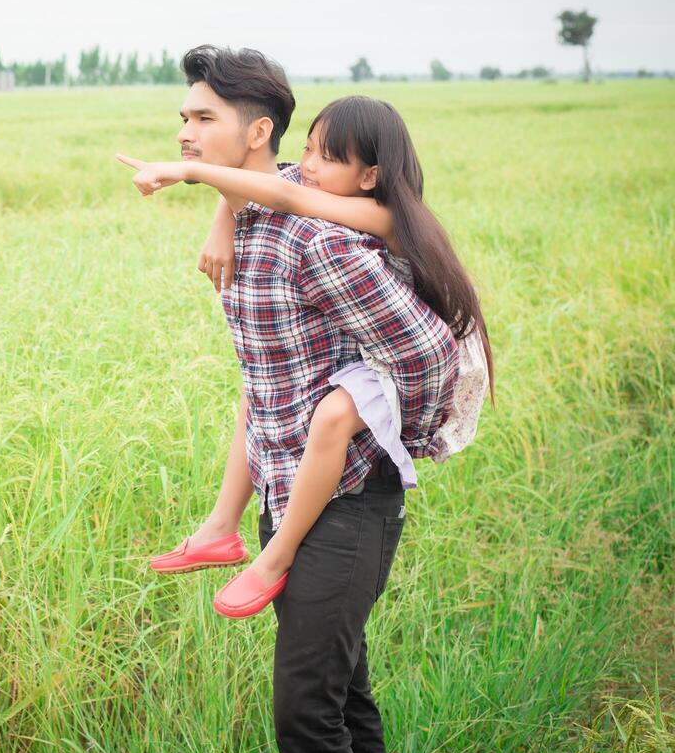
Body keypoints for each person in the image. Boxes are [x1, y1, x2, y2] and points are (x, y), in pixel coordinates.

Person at [122, 45, 461, 753]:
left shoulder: (319, 240)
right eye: (181, 115)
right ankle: (221, 531)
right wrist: (221, 210)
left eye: (202, 117)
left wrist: (368, 415)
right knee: (343, 697)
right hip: (284, 489)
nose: (183, 130)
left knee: (305, 714)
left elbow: (430, 350)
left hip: (347, 502)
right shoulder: (260, 207)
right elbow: (268, 189)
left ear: (255, 129)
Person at [120, 94, 492, 618]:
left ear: (370, 175)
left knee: (333, 416)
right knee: (265, 381)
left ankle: (277, 556)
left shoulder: (373, 211)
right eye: (308, 149)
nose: (309, 167)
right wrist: (222, 221)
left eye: (328, 157)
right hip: (372, 341)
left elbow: (284, 195)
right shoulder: (320, 184)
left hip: (407, 353)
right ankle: (222, 526)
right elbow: (274, 185)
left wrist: (187, 171)